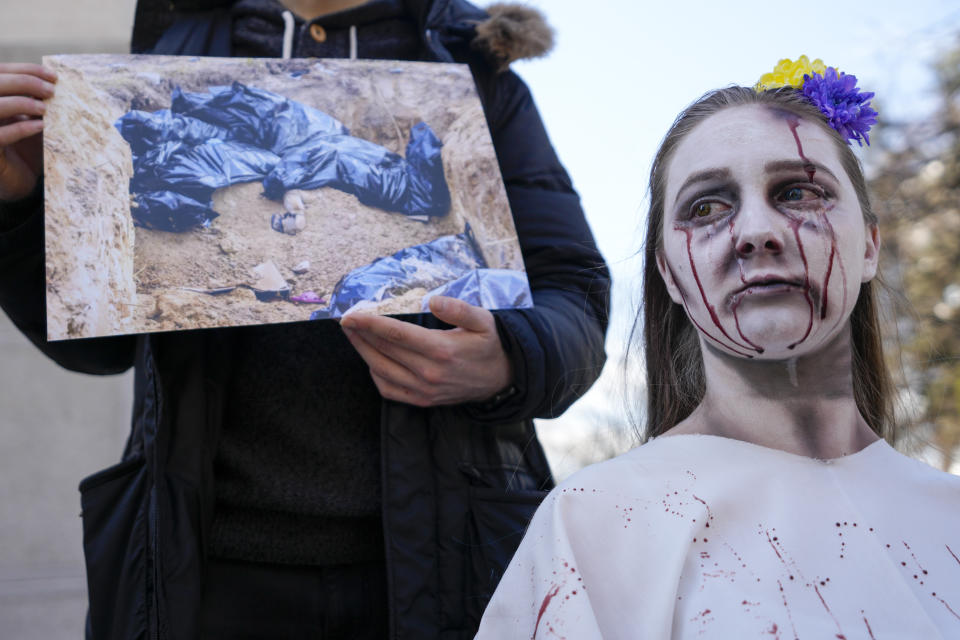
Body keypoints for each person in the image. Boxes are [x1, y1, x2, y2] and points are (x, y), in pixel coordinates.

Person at [0, 1, 610, 638]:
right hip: (203, 573)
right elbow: (98, 348)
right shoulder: (168, 54)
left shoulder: (472, 69)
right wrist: (19, 208)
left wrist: (509, 355)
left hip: (445, 561)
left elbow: (576, 295)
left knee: (329, 159)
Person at [476, 57, 960, 639]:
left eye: (799, 192)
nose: (756, 231)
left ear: (870, 247)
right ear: (670, 275)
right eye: (707, 207)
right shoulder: (595, 521)